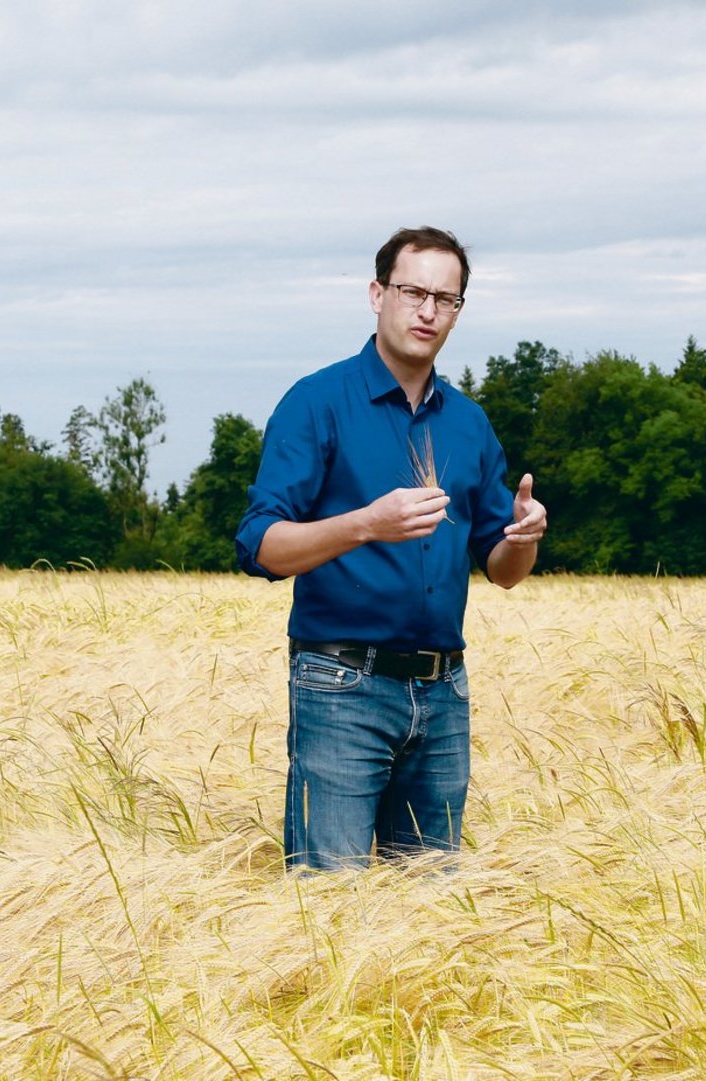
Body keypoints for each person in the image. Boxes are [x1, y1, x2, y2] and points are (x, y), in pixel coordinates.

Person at [235, 226, 547, 872]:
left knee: (430, 917)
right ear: (377, 294)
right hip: (341, 685)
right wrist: (366, 524)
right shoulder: (316, 403)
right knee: (331, 905)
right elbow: (261, 545)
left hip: (443, 694)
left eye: (446, 299)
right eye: (413, 292)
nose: (428, 311)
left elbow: (502, 569)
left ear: (459, 311)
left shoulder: (468, 423)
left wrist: (522, 538)